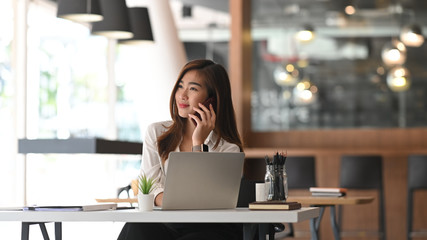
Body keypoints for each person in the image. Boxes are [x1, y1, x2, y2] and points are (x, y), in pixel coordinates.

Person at [117, 59, 244, 240]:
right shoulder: (157, 132)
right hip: (168, 223)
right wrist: (174, 202)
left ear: (211, 99)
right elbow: (150, 185)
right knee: (137, 227)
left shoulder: (229, 149)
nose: (182, 95)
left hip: (211, 229)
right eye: (180, 86)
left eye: (193, 89)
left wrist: (198, 143)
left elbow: (204, 198)